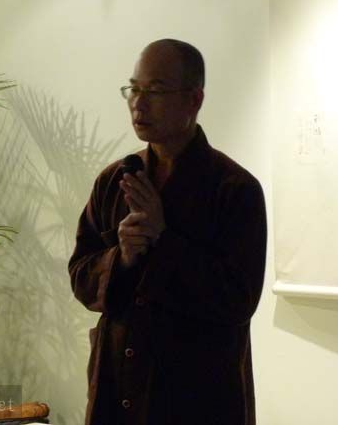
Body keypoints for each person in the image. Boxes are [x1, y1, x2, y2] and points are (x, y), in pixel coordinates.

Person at [68, 39, 267, 425]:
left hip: (197, 397)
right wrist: (122, 257)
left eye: (155, 91)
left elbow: (237, 300)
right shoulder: (115, 181)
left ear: (194, 99)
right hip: (117, 389)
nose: (138, 104)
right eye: (133, 89)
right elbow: (80, 276)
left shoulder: (233, 188)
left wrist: (163, 238)